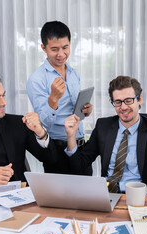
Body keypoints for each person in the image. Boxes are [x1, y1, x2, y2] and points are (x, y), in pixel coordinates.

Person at [63, 76, 147, 196]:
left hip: (142, 196)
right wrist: (71, 136)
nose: (123, 107)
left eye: (128, 100)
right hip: (108, 195)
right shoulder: (103, 126)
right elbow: (78, 167)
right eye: (118, 102)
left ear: (139, 99)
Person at [26, 21, 92, 175]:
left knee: (88, 196)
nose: (61, 54)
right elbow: (42, 125)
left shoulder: (73, 73)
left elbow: (74, 110)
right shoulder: (37, 79)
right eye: (54, 49)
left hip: (80, 145)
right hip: (56, 150)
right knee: (58, 199)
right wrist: (53, 99)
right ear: (44, 48)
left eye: (65, 47)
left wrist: (85, 109)